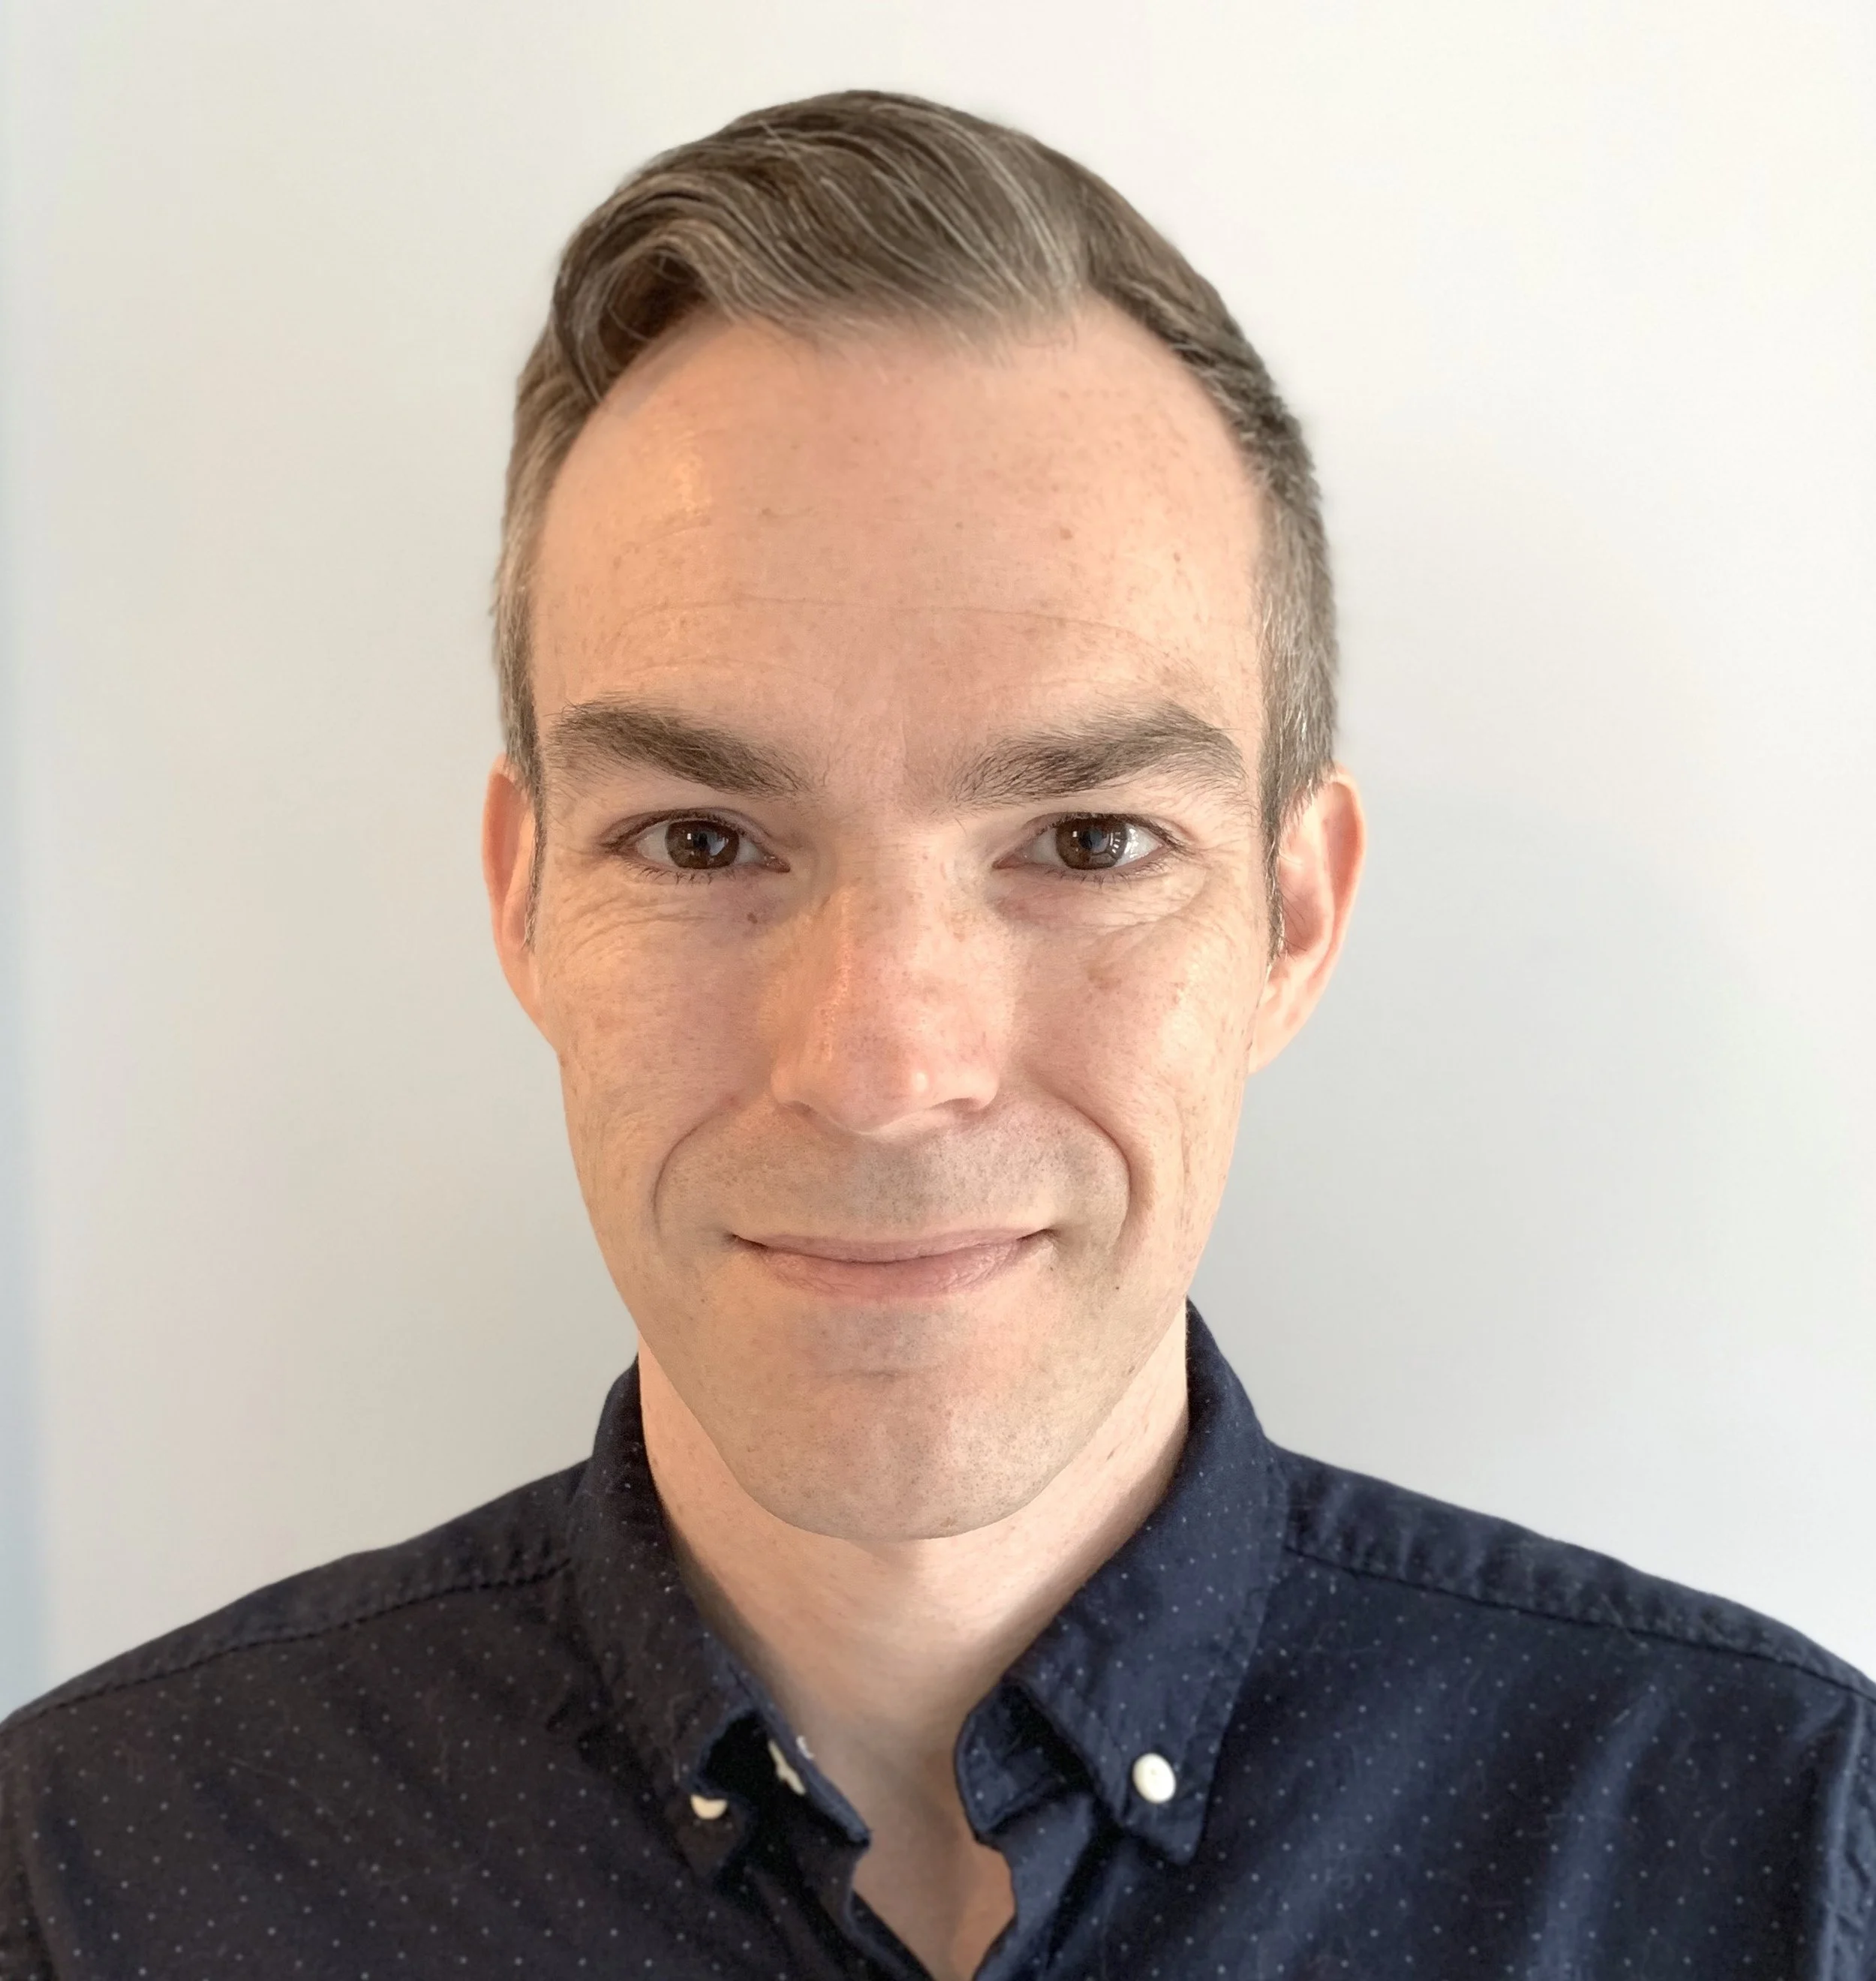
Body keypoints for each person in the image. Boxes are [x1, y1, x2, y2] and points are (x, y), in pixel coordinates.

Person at [2, 89, 1871, 1981]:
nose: (884, 1072)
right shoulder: (101, 1875)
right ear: (527, 898)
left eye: (1085, 842)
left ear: (1291, 916)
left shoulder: (1765, 1846)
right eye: (704, 839)